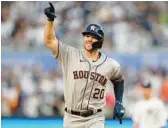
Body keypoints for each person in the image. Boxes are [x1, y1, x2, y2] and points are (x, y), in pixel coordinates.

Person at [44, 2, 125, 128]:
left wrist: (119, 102)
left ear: (100, 41)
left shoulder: (111, 64)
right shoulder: (70, 54)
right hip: (71, 118)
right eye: (87, 35)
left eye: (93, 36)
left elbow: (119, 81)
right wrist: (50, 20)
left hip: (95, 118)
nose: (89, 39)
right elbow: (49, 40)